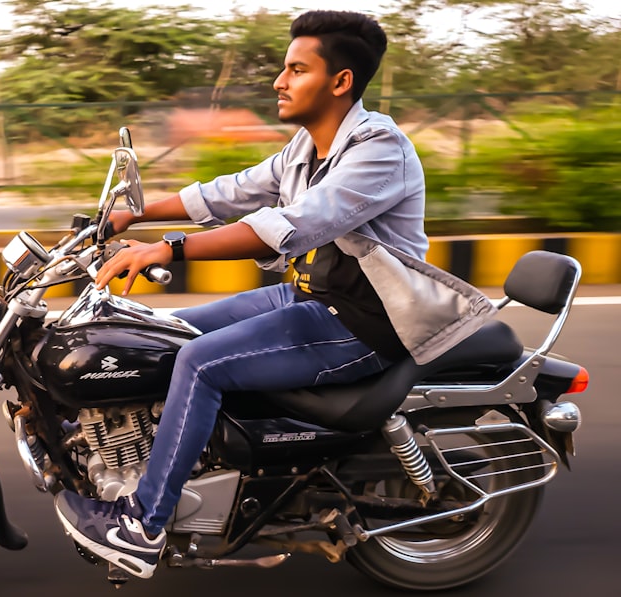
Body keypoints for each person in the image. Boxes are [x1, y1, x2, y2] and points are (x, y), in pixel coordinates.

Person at [55, 9, 433, 580]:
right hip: (307, 299)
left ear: (340, 82)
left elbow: (292, 225)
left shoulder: (379, 149)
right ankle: (148, 455)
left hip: (365, 323)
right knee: (163, 334)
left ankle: (143, 526)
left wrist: (169, 249)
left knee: (199, 362)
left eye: (295, 69)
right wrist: (129, 216)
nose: (279, 81)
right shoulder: (307, 147)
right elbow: (230, 193)